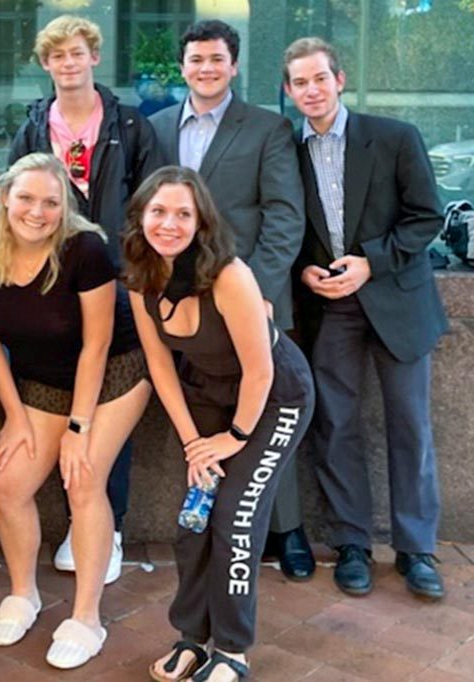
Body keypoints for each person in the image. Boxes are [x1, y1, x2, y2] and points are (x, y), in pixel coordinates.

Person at [123, 166, 314, 682]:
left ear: (201, 221)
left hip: (273, 400)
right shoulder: (143, 277)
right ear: (141, 216)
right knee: (194, 521)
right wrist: (192, 443)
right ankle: (192, 637)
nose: (169, 223)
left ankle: (233, 650)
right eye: (158, 211)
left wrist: (232, 440)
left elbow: (261, 370)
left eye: (183, 213)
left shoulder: (229, 275)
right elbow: (161, 367)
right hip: (208, 397)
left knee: (236, 521)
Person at [148, 20, 313, 581]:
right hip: (181, 306)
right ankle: (216, 528)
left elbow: (284, 217)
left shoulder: (268, 127)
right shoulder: (159, 127)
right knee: (210, 414)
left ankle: (285, 531)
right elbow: (151, 212)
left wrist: (257, 293)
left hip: (249, 301)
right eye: (196, 60)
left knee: (264, 406)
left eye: (217, 59)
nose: (206, 68)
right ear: (183, 66)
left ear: (234, 65)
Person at [0, 153, 152, 669]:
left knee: (84, 477)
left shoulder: (85, 249)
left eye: (51, 202)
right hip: (39, 379)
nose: (37, 211)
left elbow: (95, 346)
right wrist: (15, 414)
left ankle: (86, 617)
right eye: (26, 198)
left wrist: (79, 427)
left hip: (114, 371)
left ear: (64, 207)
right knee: (7, 482)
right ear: (5, 197)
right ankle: (23, 593)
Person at [284, 37, 446, 600]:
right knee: (336, 426)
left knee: (410, 427)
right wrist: (304, 269)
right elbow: (286, 225)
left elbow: (427, 217)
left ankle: (416, 549)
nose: (311, 90)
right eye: (300, 82)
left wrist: (370, 263)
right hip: (328, 307)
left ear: (340, 79)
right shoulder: (286, 149)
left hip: (396, 299)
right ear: (288, 90)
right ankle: (352, 542)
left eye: (319, 79)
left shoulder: (395, 138)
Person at [9, 14, 161, 584]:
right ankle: (78, 516)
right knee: (61, 398)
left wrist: (136, 273)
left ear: (93, 57)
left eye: (77, 54)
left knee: (106, 403)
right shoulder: (32, 126)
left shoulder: (128, 123)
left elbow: (151, 198)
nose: (67, 65)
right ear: (46, 65)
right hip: (52, 284)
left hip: (115, 283)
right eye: (57, 57)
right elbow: (16, 199)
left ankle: (105, 526)